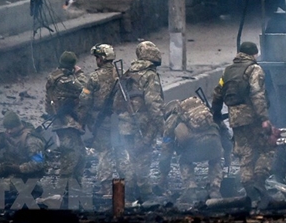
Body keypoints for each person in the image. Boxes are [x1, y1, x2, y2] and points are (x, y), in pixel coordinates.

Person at [211, 41, 276, 208]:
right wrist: (264, 118)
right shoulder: (254, 69)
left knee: (245, 153)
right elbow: (257, 94)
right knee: (267, 148)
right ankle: (259, 181)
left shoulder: (228, 71)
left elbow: (217, 93)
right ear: (254, 54)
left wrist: (216, 115)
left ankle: (250, 190)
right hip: (252, 116)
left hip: (235, 119)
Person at [112, 40, 165, 202]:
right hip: (143, 124)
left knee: (129, 157)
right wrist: (162, 127)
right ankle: (144, 193)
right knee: (143, 157)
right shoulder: (150, 75)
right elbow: (153, 103)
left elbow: (116, 102)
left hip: (125, 124)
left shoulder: (127, 73)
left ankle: (126, 194)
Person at [158, 97, 224, 204]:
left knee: (183, 160)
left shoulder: (172, 119)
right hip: (214, 142)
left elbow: (166, 149)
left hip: (194, 148)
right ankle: (214, 188)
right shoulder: (203, 109)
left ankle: (191, 188)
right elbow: (223, 129)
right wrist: (227, 155)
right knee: (216, 159)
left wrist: (163, 174)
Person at [81, 43, 124, 198]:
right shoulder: (120, 73)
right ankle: (127, 185)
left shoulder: (94, 77)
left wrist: (82, 120)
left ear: (101, 59)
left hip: (100, 120)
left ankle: (106, 188)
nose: (96, 60)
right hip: (119, 120)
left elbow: (85, 99)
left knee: (104, 152)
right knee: (121, 151)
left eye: (97, 57)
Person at [45, 51, 88, 185]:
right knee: (70, 157)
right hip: (65, 123)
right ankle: (63, 189)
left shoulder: (56, 76)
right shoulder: (65, 80)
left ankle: (75, 186)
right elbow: (86, 89)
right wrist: (80, 73)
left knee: (81, 154)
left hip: (67, 122)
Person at [0, 111, 47, 188]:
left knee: (4, 187)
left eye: (11, 128)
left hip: (25, 173)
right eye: (7, 128)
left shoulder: (31, 140)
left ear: (19, 125)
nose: (9, 131)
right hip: (9, 165)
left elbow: (38, 163)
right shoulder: (6, 134)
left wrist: (19, 168)